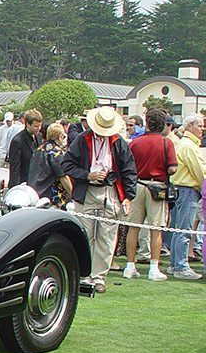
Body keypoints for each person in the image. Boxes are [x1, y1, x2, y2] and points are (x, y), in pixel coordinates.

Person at [60, 106, 138, 293]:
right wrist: (87, 175)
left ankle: (99, 277)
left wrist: (128, 196)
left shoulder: (118, 142)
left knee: (107, 236)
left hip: (110, 191)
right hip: (87, 191)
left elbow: (129, 170)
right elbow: (66, 164)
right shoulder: (81, 140)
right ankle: (83, 275)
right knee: (85, 234)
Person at [122, 108, 176, 281]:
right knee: (156, 228)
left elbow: (127, 165)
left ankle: (130, 266)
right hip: (157, 187)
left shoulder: (135, 143)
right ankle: (154, 267)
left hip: (137, 185)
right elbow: (172, 168)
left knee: (133, 227)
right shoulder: (166, 143)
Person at [167, 112, 205, 280]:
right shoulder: (189, 146)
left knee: (178, 229)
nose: (202, 129)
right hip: (187, 190)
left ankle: (175, 264)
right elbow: (199, 172)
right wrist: (203, 188)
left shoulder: (184, 143)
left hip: (180, 189)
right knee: (184, 230)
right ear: (190, 126)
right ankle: (180, 266)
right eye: (200, 125)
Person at [27, 122, 72, 208]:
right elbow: (63, 176)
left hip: (34, 193)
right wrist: (72, 193)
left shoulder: (39, 149)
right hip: (51, 196)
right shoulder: (56, 152)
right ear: (59, 136)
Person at [7, 109, 43, 188]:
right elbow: (15, 167)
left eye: (40, 125)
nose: (39, 128)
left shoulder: (38, 137)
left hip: (36, 182)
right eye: (36, 126)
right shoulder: (18, 141)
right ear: (27, 124)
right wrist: (15, 188)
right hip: (23, 183)